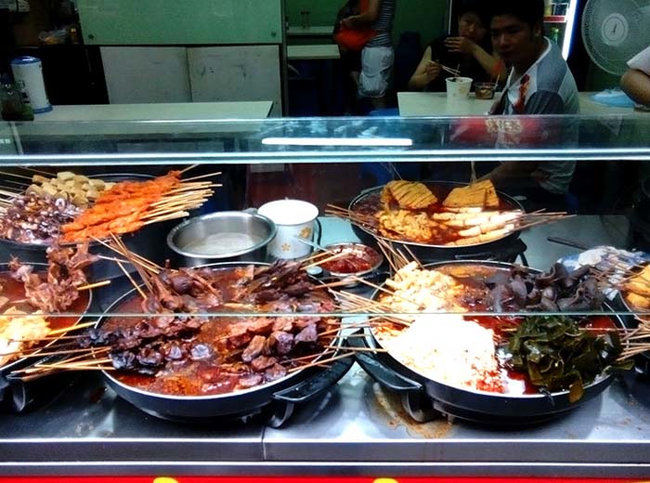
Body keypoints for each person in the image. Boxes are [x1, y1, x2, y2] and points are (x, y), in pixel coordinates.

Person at [479, 0, 580, 211]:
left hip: (539, 188)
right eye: (495, 34)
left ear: (536, 28)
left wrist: (477, 188)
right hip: (512, 164)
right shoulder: (528, 56)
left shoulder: (545, 86)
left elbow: (526, 164)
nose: (502, 42)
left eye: (512, 31)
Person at [409, 1, 504, 91]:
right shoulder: (439, 44)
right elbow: (412, 84)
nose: (471, 30)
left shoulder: (490, 45)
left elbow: (502, 75)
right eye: (468, 22)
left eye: (480, 26)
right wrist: (427, 77)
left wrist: (473, 48)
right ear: (459, 20)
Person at [340, 0, 396, 109]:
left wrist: (353, 20)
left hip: (376, 48)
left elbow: (372, 15)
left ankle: (381, 124)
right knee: (373, 93)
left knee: (376, 96)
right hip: (378, 47)